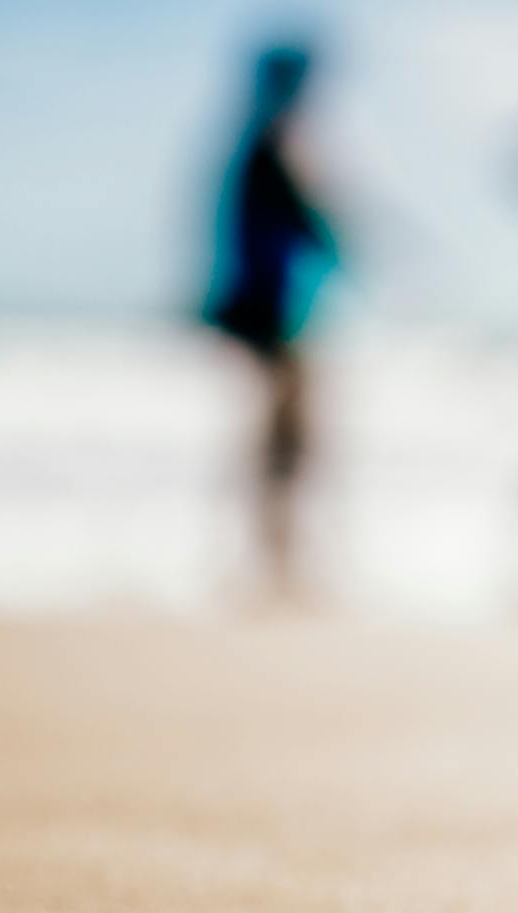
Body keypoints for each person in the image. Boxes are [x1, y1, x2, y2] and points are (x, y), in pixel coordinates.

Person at [205, 41, 341, 601]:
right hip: (282, 319)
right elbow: (323, 222)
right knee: (288, 444)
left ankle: (273, 563)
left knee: (278, 443)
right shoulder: (276, 143)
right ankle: (277, 568)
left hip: (273, 315)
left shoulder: (252, 143)